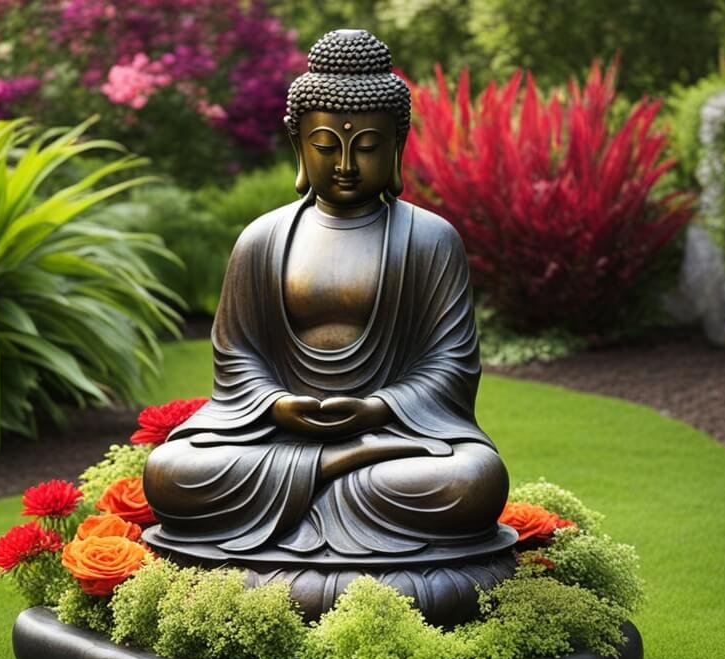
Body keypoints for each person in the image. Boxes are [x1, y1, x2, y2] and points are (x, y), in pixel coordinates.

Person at [143, 30, 509, 563]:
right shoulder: (262, 239)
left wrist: (377, 407)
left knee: (472, 482)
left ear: (397, 147)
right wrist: (276, 404)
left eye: (366, 147)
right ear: (298, 146)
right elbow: (237, 355)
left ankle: (311, 495)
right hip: (279, 437)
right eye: (324, 146)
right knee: (171, 473)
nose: (344, 165)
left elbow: (450, 363)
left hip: (394, 436)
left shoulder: (431, 239)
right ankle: (332, 471)